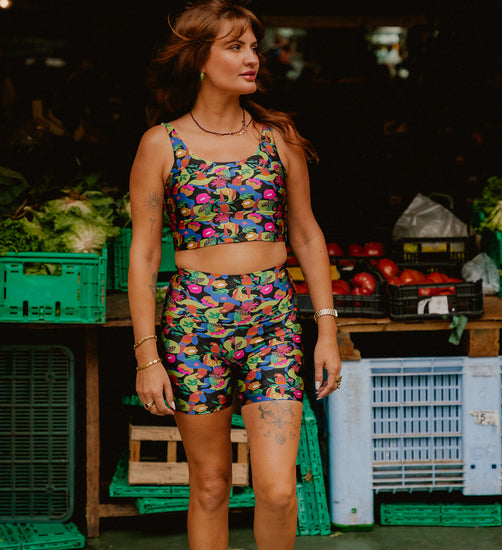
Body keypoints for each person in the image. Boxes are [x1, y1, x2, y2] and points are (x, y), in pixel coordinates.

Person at [127, 1, 341, 548]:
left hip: (272, 323)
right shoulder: (160, 144)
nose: (252, 59)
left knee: (278, 490)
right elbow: (144, 256)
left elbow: (307, 235)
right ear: (200, 58)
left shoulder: (277, 138)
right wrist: (147, 356)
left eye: (253, 48)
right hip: (193, 328)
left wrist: (328, 330)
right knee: (210, 486)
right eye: (235, 47)